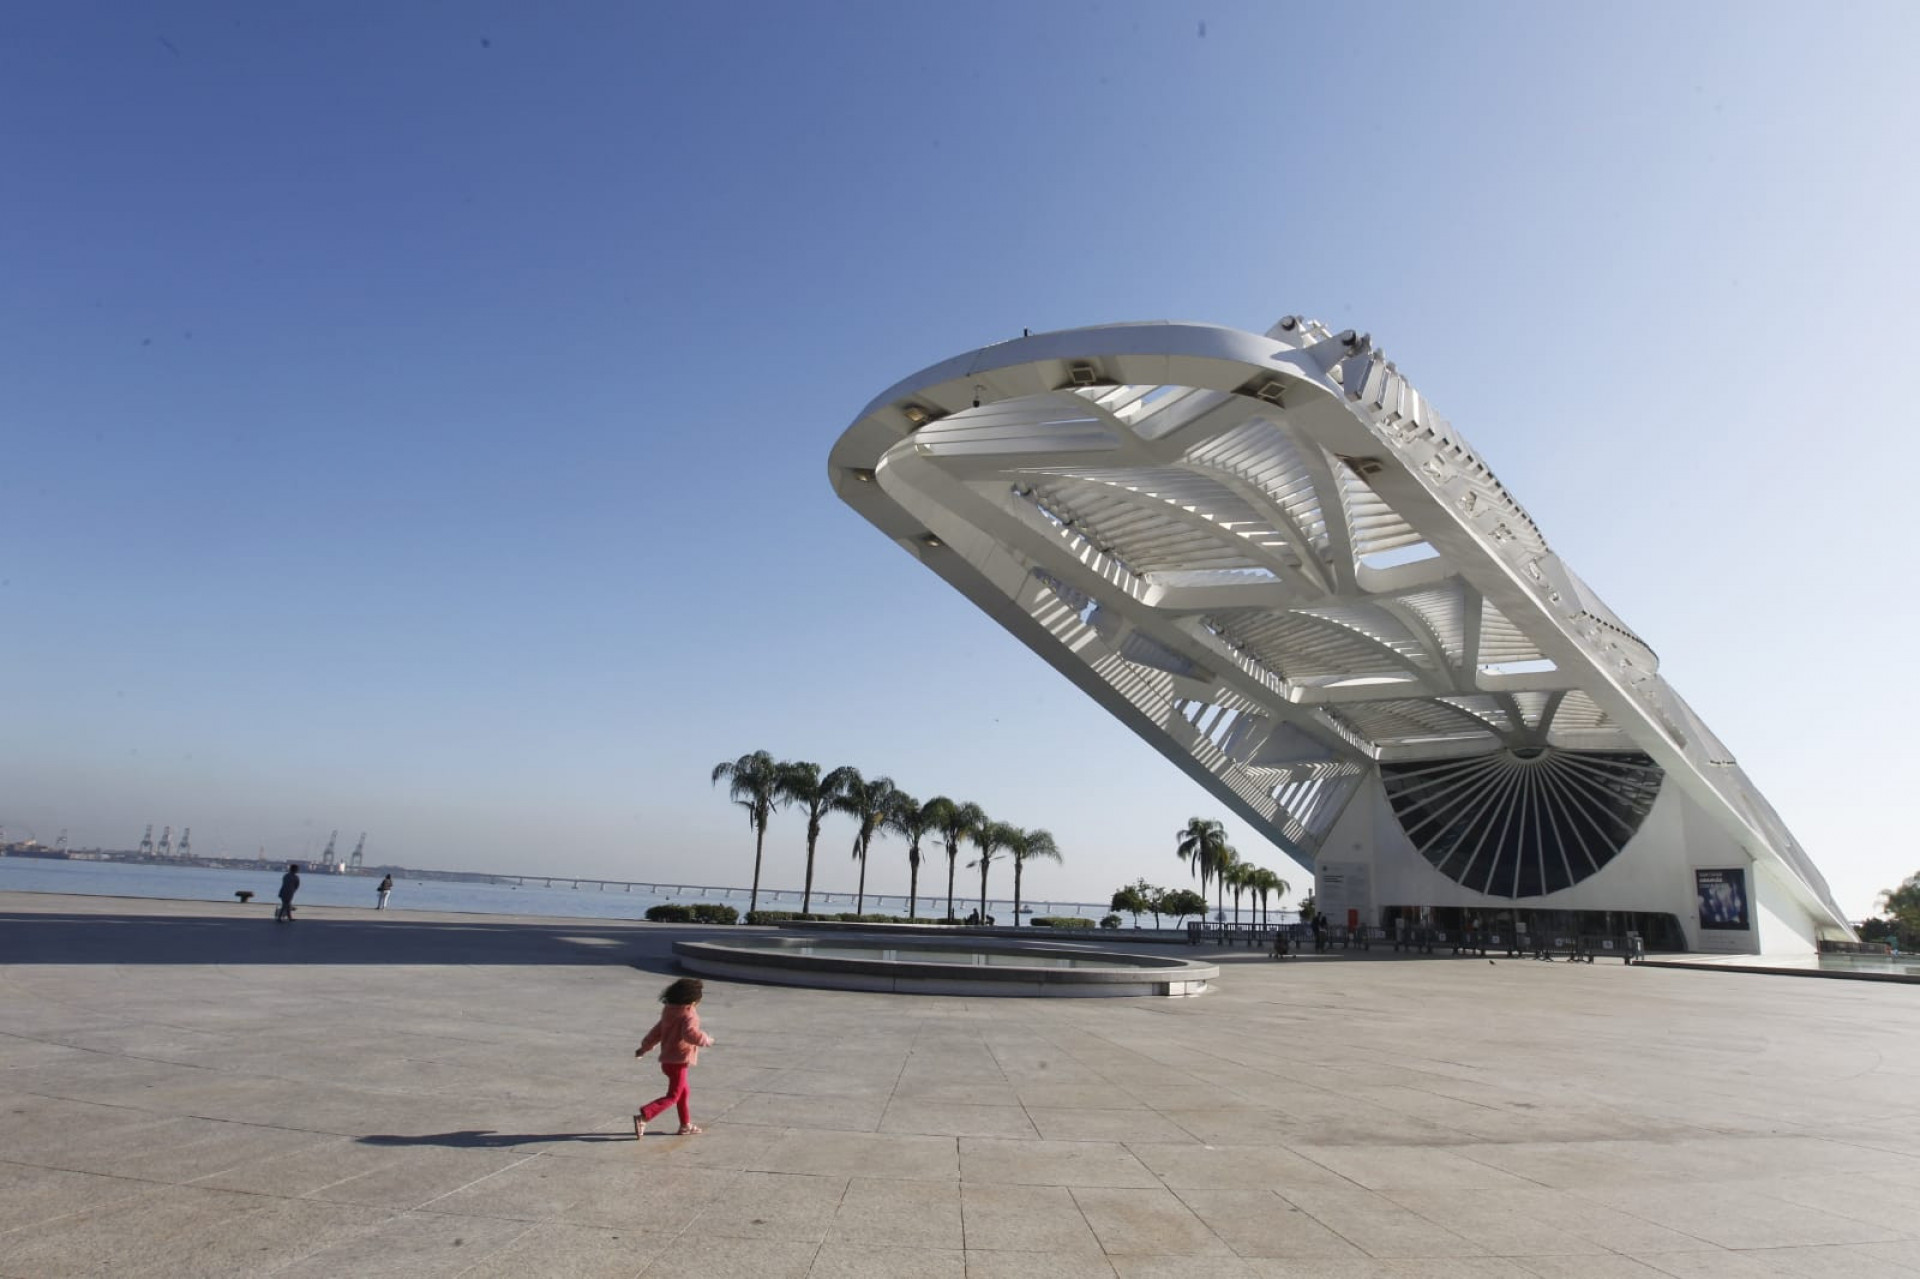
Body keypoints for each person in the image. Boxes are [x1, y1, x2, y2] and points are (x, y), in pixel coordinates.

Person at [634, 977, 714, 1138]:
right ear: (692, 1001)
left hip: (667, 1060)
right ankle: (644, 1116)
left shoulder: (669, 1011)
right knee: (673, 1096)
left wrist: (644, 1047)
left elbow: (656, 1032)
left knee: (684, 1092)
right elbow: (690, 1034)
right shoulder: (689, 1014)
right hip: (679, 1061)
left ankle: (685, 1125)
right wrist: (705, 1039)